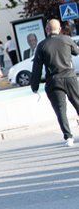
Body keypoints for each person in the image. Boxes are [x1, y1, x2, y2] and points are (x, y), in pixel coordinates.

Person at [30, 19, 79, 147]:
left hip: (53, 80)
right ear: (59, 29)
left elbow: (37, 68)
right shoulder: (66, 39)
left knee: (60, 110)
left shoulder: (41, 45)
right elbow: (76, 51)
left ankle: (68, 137)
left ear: (47, 30)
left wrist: (34, 86)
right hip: (70, 78)